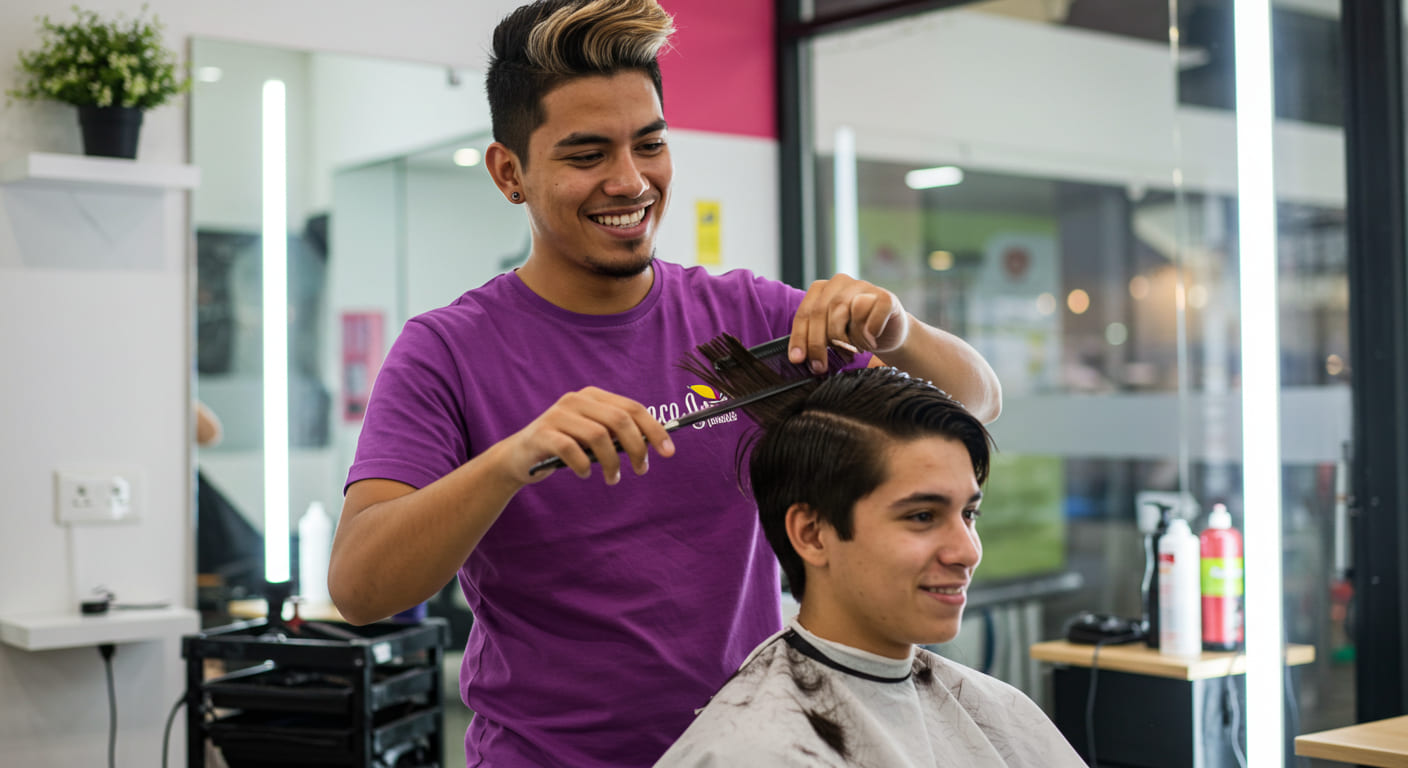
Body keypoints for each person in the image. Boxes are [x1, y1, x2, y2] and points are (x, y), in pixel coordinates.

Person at [327, 1, 1002, 765]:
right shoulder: (446, 351)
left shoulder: (749, 316)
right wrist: (512, 460)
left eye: (649, 144)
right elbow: (360, 587)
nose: (630, 181)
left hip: (755, 747)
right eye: (586, 156)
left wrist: (899, 334)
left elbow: (975, 403)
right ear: (509, 172)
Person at [654, 367, 1083, 767]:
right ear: (812, 533)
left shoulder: (997, 709)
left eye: (969, 514)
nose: (967, 552)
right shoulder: (751, 750)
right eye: (922, 516)